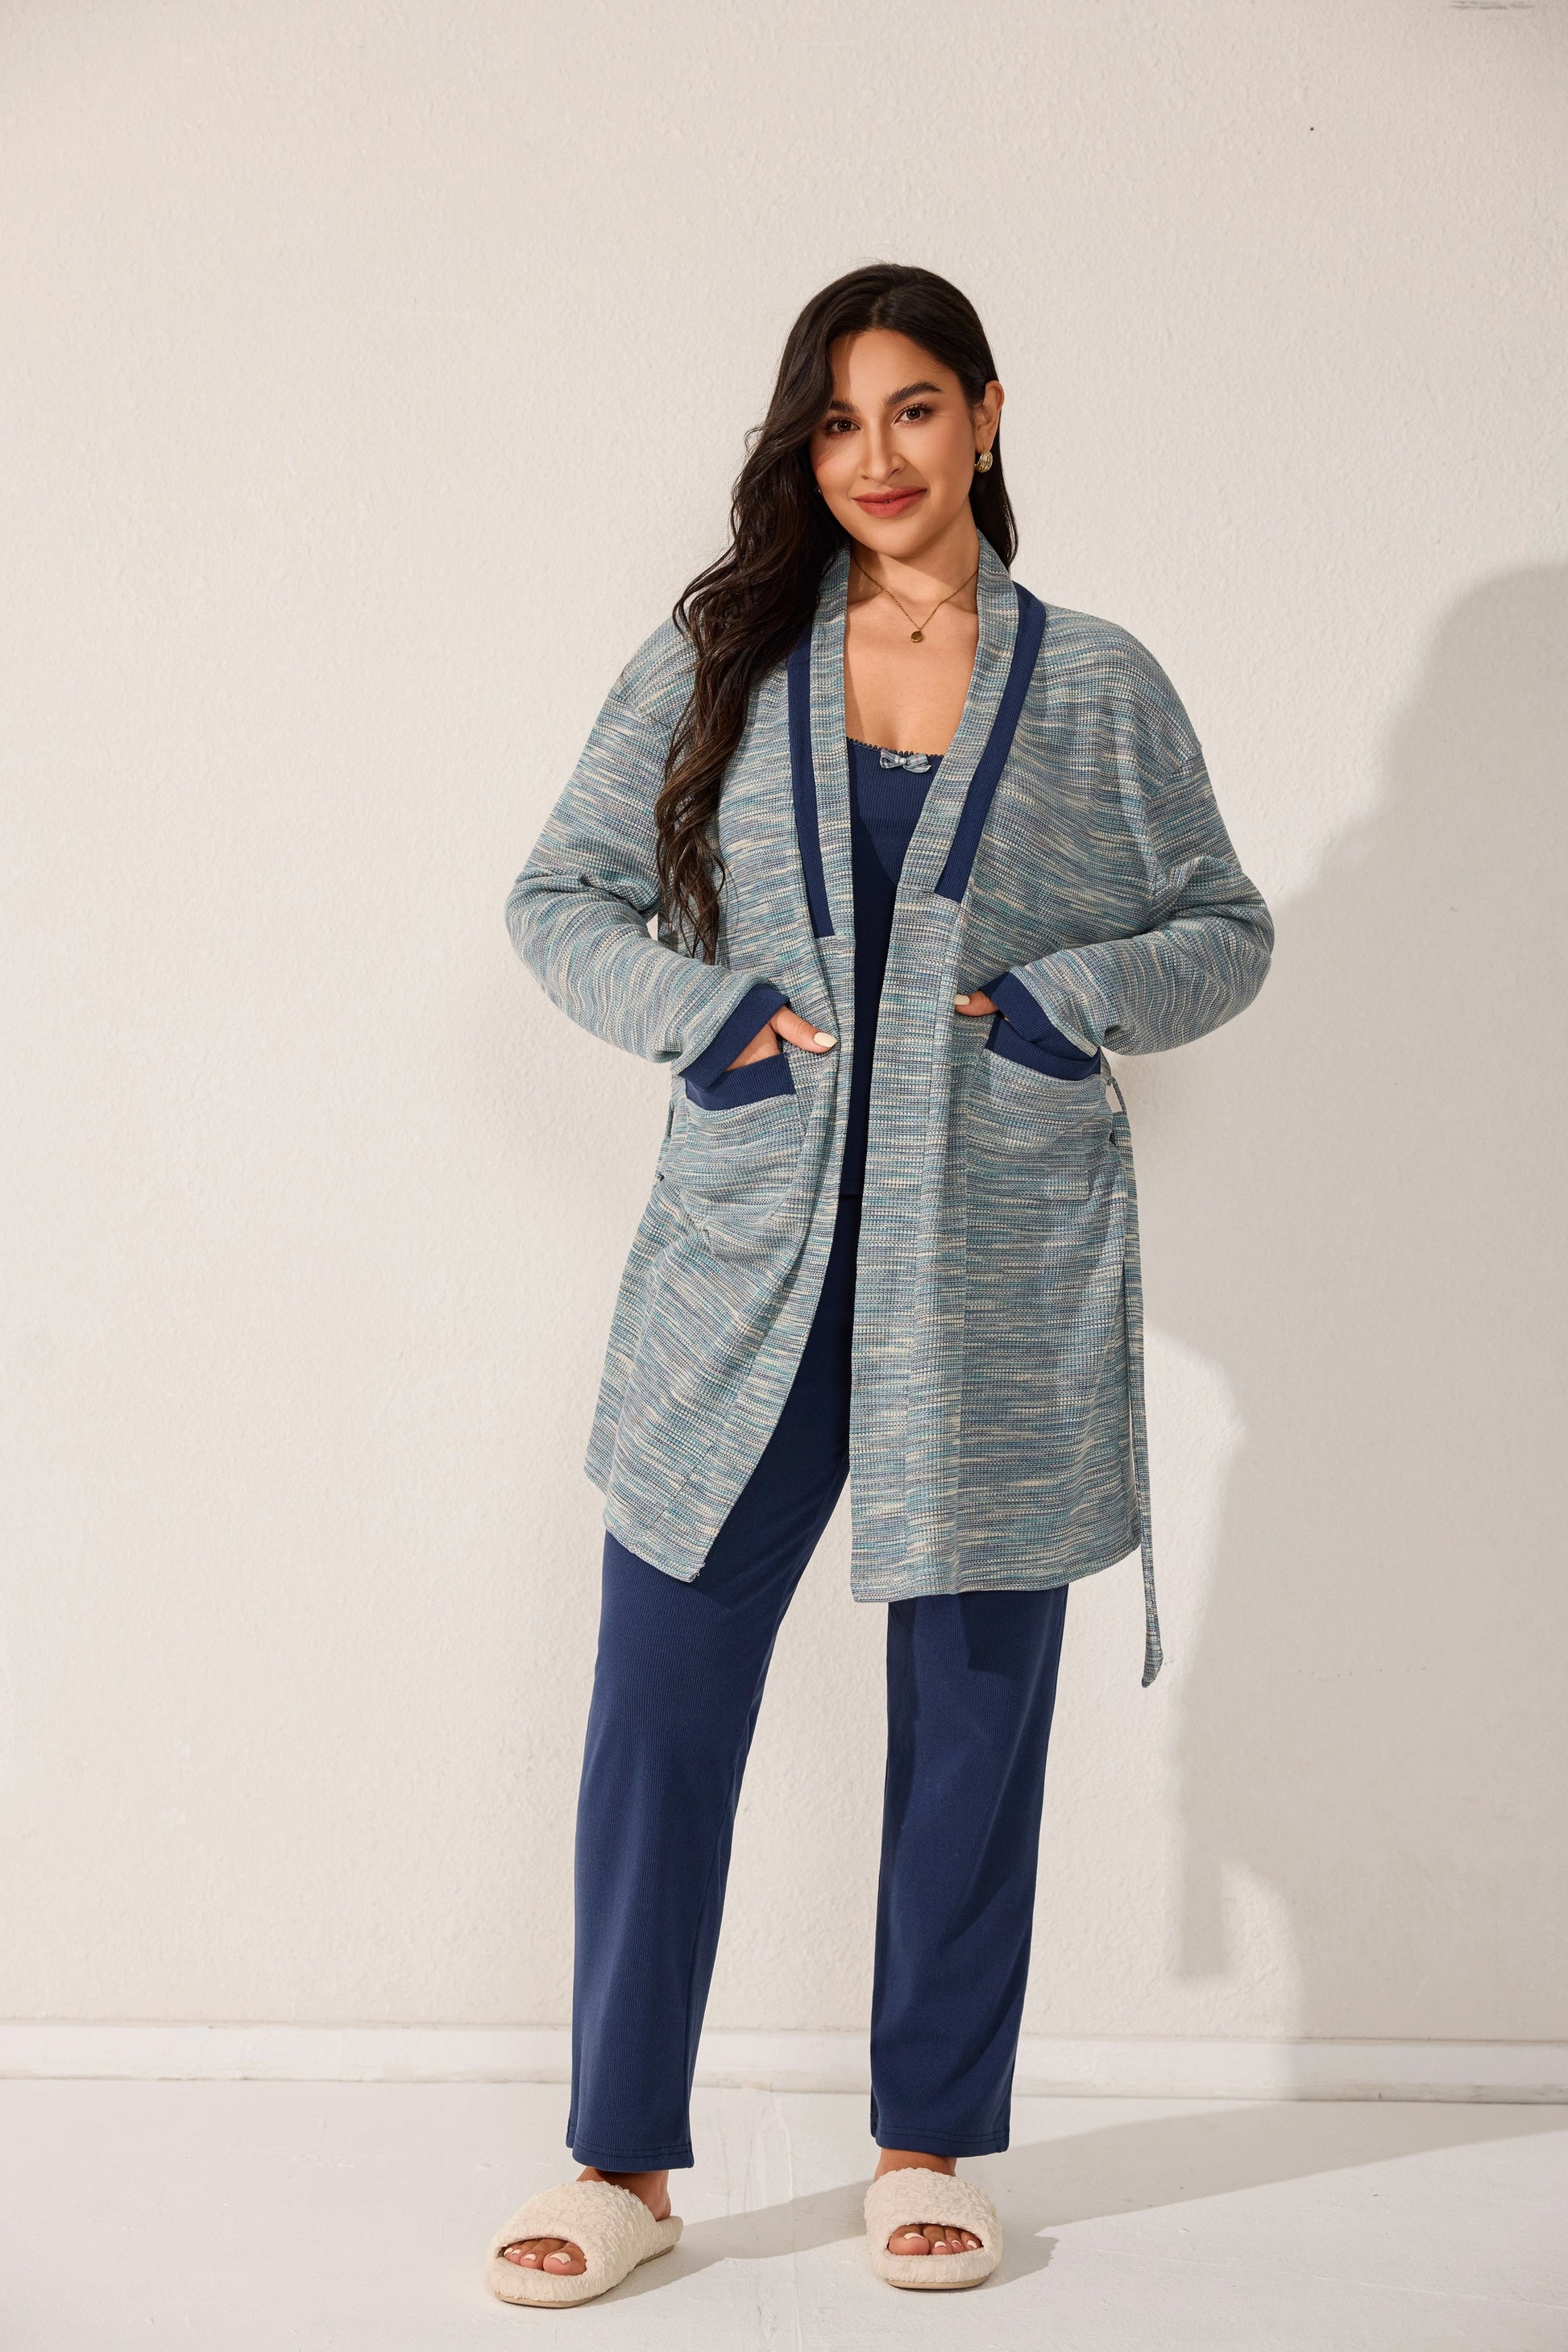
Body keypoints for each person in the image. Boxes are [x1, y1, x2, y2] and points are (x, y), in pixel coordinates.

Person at [483, 262, 1274, 2307]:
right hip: (742, 1264)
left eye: (913, 408)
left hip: (992, 1271)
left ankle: (927, 2143)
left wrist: (1066, 1000)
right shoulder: (722, 659)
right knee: (658, 1709)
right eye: (836, 422)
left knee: (971, 1725)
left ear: (985, 415)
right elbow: (560, 897)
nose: (875, 456)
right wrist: (708, 1020)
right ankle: (621, 2158)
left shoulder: (1095, 683)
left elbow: (1224, 924)